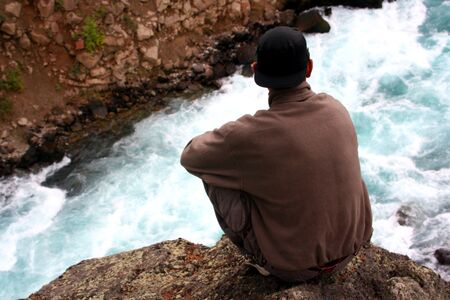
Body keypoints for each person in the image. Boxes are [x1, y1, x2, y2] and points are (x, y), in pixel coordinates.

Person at [180, 26, 373, 282]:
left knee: (215, 174)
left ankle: (263, 262)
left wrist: (235, 140)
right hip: (352, 250)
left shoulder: (249, 134)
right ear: (309, 68)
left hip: (292, 268)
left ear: (256, 71)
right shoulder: (337, 109)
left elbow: (191, 156)